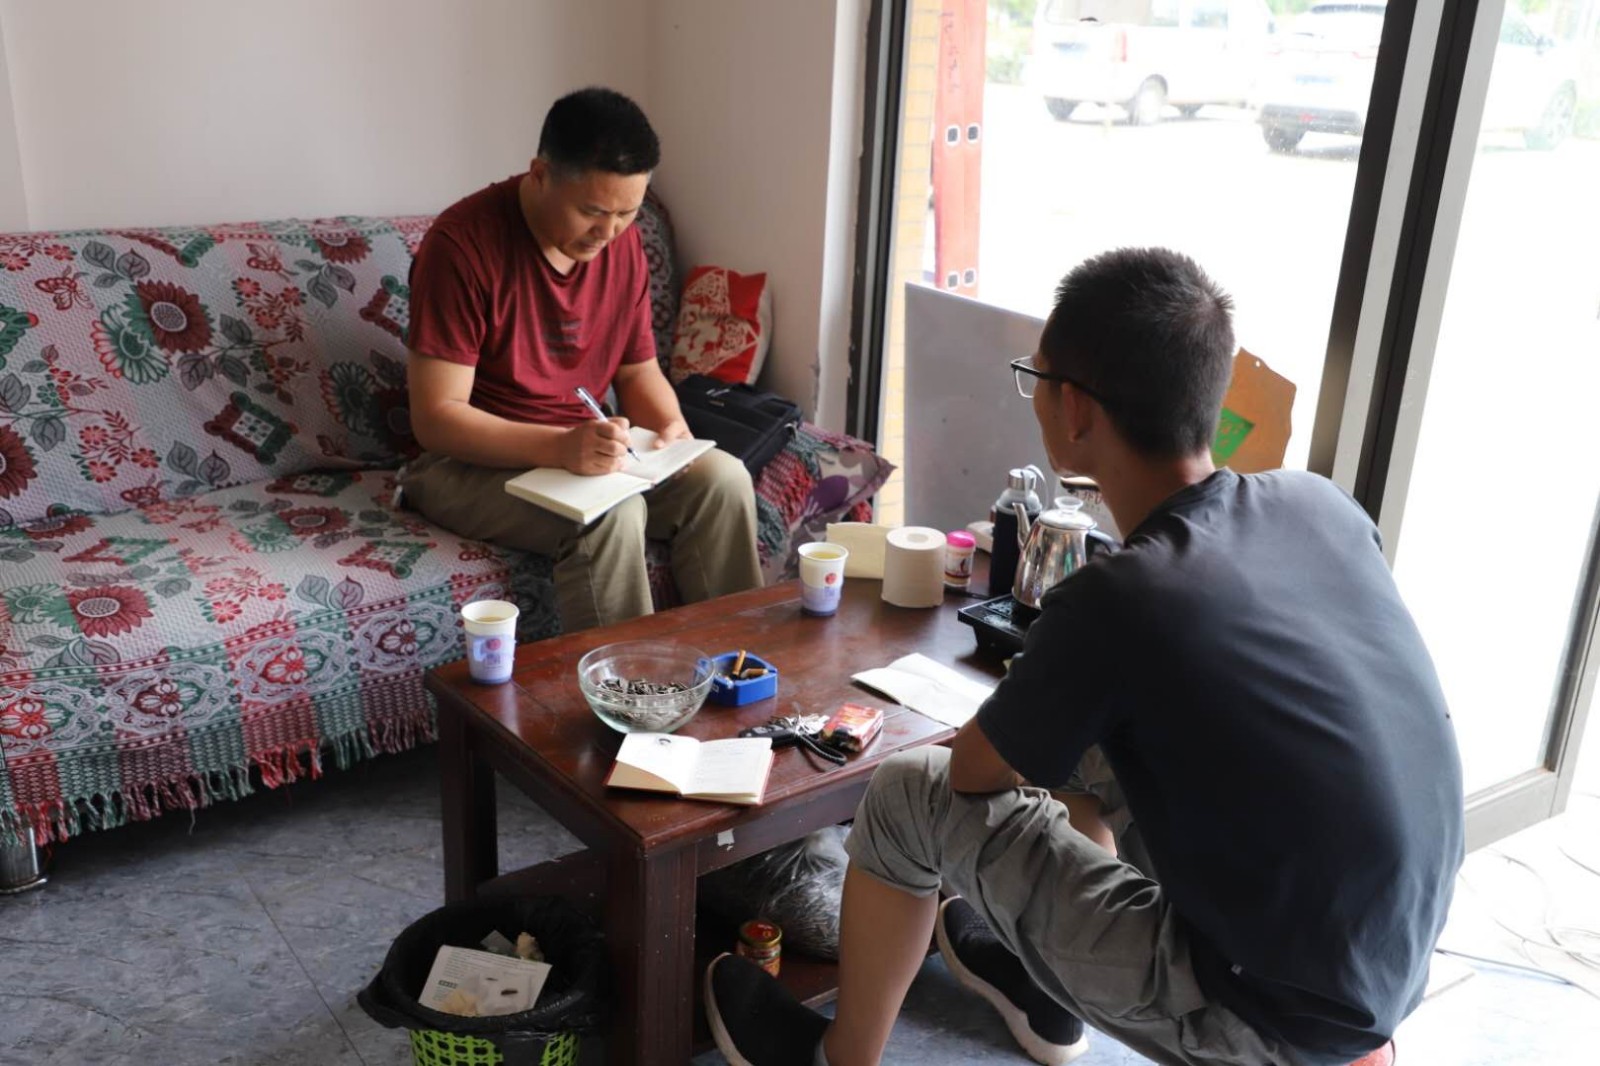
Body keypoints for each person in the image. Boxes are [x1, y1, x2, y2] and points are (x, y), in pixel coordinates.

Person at [705, 248, 1464, 1066]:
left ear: (1074, 410)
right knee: (1097, 734)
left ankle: (836, 1059)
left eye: (1037, 378)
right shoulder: (1316, 501)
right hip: (1385, 958)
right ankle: (1042, 993)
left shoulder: (1125, 594)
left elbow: (973, 774)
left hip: (1257, 1012)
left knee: (906, 793)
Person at [402, 87, 761, 632]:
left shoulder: (621, 244)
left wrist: (672, 431)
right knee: (611, 511)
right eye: (591, 212)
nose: (608, 232)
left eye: (628, 212)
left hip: (584, 453)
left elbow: (637, 370)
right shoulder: (461, 246)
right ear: (540, 174)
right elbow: (436, 419)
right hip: (467, 465)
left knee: (723, 480)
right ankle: (628, 682)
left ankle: (741, 664)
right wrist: (559, 447)